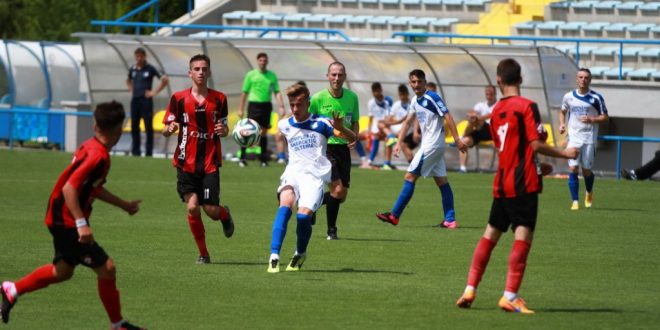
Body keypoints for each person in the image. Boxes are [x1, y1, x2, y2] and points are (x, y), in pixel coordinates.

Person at [0, 101, 145, 329]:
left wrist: (123, 205)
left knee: (63, 271)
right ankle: (118, 324)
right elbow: (70, 188)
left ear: (96, 125)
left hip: (59, 216)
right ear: (119, 129)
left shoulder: (91, 146)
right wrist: (81, 224)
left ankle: (12, 289)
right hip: (66, 220)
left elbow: (92, 188)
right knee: (107, 268)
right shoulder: (99, 156)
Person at [455, 58, 579, 314]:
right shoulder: (527, 106)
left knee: (490, 235)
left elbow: (498, 138)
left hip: (501, 183)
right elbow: (534, 144)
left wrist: (470, 136)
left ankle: (470, 288)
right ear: (520, 80)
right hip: (523, 184)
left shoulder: (498, 110)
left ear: (498, 80)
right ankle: (510, 295)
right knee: (523, 234)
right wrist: (564, 154)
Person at [268, 83, 357, 273]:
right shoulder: (285, 124)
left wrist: (342, 128)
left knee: (302, 217)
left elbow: (351, 139)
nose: (295, 109)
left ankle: (300, 253)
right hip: (292, 173)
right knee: (285, 206)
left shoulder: (322, 123)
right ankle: (274, 255)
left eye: (299, 104)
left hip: (314, 177)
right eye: (292, 104)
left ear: (308, 103)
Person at [162, 54, 234, 264]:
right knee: (192, 207)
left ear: (209, 72)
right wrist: (170, 128)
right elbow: (166, 129)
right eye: (197, 69)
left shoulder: (219, 99)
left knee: (210, 210)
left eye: (204, 69)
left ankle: (224, 215)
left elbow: (224, 127)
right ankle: (203, 253)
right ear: (190, 72)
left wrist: (224, 130)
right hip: (186, 162)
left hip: (210, 163)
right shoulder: (178, 98)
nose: (201, 72)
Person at [376, 69, 467, 229]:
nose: (417, 85)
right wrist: (398, 143)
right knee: (442, 181)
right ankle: (450, 220)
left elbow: (448, 116)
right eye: (413, 82)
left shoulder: (432, 97)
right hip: (433, 146)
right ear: (410, 83)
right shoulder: (414, 101)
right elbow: (408, 122)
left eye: (419, 81)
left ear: (425, 82)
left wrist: (457, 139)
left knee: (410, 177)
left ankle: (394, 215)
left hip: (432, 145)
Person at [309, 61, 360, 240]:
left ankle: (311, 205)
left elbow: (355, 121)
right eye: (333, 74)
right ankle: (332, 230)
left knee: (341, 195)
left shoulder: (352, 98)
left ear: (345, 77)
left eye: (340, 75)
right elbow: (307, 122)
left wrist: (355, 137)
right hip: (325, 148)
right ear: (327, 76)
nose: (336, 78)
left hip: (343, 149)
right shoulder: (317, 99)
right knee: (337, 190)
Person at [559, 68, 609, 210]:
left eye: (586, 77)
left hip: (589, 138)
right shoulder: (568, 96)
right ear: (576, 79)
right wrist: (562, 124)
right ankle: (575, 201)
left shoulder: (596, 98)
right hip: (573, 137)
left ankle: (589, 191)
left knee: (586, 170)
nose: (583, 80)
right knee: (573, 168)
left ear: (590, 80)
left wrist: (592, 119)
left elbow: (605, 116)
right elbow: (562, 112)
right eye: (580, 77)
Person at [238, 52, 286, 167]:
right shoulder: (251, 75)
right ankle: (242, 158)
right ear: (258, 61)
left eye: (264, 61)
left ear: (267, 62)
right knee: (248, 131)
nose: (262, 62)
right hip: (254, 105)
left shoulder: (271, 76)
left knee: (264, 131)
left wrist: (281, 106)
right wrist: (241, 109)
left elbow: (277, 92)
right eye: (260, 60)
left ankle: (263, 160)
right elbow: (244, 92)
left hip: (266, 106)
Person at [126, 47, 169, 157]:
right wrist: (130, 88)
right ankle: (136, 152)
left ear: (145, 56)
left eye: (141, 56)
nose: (139, 58)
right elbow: (128, 79)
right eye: (137, 56)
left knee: (148, 126)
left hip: (146, 101)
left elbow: (165, 79)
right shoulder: (133, 68)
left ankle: (148, 152)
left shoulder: (150, 68)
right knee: (134, 126)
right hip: (135, 101)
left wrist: (154, 92)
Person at [459, 85, 497, 173]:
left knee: (477, 120)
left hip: (491, 131)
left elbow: (492, 115)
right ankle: (462, 168)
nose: (489, 96)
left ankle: (462, 135)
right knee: (464, 141)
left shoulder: (498, 105)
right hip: (479, 131)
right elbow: (471, 113)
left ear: (495, 94)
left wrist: (477, 117)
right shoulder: (480, 105)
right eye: (487, 94)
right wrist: (472, 115)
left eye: (491, 94)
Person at [366, 82, 396, 169]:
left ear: (381, 90)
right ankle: (369, 161)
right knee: (375, 137)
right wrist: (369, 131)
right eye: (374, 91)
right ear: (372, 92)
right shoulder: (371, 103)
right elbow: (371, 118)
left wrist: (383, 124)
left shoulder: (388, 100)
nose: (376, 93)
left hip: (387, 126)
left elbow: (389, 117)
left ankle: (387, 163)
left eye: (378, 91)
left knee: (387, 140)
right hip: (378, 127)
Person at [388, 84, 419, 163]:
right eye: (400, 95)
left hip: (410, 131)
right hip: (400, 131)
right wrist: (398, 121)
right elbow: (389, 119)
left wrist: (415, 131)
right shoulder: (396, 105)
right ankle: (387, 163)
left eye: (403, 94)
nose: (402, 96)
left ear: (407, 94)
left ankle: (414, 165)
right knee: (389, 139)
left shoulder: (413, 103)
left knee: (403, 144)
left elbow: (413, 119)